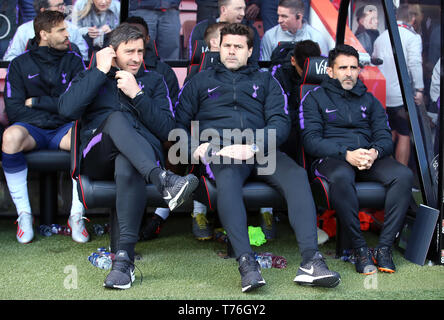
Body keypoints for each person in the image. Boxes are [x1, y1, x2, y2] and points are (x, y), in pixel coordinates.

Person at [175, 23, 341, 292]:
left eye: (238, 46)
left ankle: (311, 262)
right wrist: (198, 147)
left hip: (260, 150)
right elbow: (178, 124)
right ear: (218, 47)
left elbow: (280, 123)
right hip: (221, 152)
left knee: (297, 175)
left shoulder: (266, 80)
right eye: (227, 45)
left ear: (250, 50)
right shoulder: (200, 80)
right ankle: (247, 264)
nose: (231, 51)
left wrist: (251, 146)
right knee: (227, 181)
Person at [58, 24, 198, 290]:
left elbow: (168, 130)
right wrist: (99, 73)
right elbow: (66, 110)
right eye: (129, 51)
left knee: (127, 163)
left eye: (141, 51)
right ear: (113, 52)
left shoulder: (153, 80)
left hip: (140, 158)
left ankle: (123, 262)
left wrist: (138, 94)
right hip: (97, 156)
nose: (136, 58)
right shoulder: (91, 76)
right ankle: (164, 180)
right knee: (117, 118)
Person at [300, 44, 414, 275]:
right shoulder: (314, 98)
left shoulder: (369, 100)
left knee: (403, 175)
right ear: (330, 71)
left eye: (353, 67)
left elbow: (384, 137)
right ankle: (360, 249)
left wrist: (374, 153)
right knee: (342, 175)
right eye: (343, 67)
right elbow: (310, 140)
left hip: (367, 157)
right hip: (332, 158)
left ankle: (383, 249)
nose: (349, 72)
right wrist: (346, 154)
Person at [2, 10, 88, 244]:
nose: (67, 34)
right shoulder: (19, 64)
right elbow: (14, 111)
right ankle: (24, 215)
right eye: (61, 30)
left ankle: (76, 215)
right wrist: (57, 110)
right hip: (33, 131)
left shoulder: (74, 61)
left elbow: (78, 104)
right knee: (10, 137)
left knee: (86, 138)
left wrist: (41, 103)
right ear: (44, 34)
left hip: (64, 129)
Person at [372, 4, 424, 167]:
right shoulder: (413, 37)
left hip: (382, 94)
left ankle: (386, 170)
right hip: (402, 95)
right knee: (404, 133)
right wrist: (420, 89)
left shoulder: (382, 37)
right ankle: (402, 174)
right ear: (413, 18)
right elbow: (414, 64)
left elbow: (374, 62)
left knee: (389, 132)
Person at [3, 0, 89, 61]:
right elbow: (10, 59)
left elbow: (83, 57)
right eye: (59, 6)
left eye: (63, 4)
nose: (63, 8)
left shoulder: (72, 29)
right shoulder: (24, 31)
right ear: (43, 10)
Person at [125, 16, 180, 105]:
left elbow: (172, 109)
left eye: (139, 36)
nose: (134, 40)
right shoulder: (111, 67)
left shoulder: (164, 72)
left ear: (147, 39)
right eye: (129, 36)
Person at [188, 0, 262, 62]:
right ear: (223, 10)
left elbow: (254, 63)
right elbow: (195, 63)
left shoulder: (251, 31)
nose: (243, 13)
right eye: (238, 9)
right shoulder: (201, 29)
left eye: (244, 9)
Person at [260, 0, 329, 61]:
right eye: (278, 15)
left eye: (284, 16)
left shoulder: (316, 37)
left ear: (299, 17)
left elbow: (323, 68)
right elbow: (264, 68)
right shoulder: (270, 35)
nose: (279, 20)